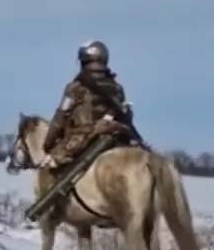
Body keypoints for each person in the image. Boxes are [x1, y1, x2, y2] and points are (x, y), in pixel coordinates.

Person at [37, 39, 140, 171]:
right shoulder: (117, 88)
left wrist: (48, 144)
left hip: (85, 139)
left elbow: (60, 116)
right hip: (118, 135)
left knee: (54, 170)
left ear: (84, 61)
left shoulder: (75, 88)